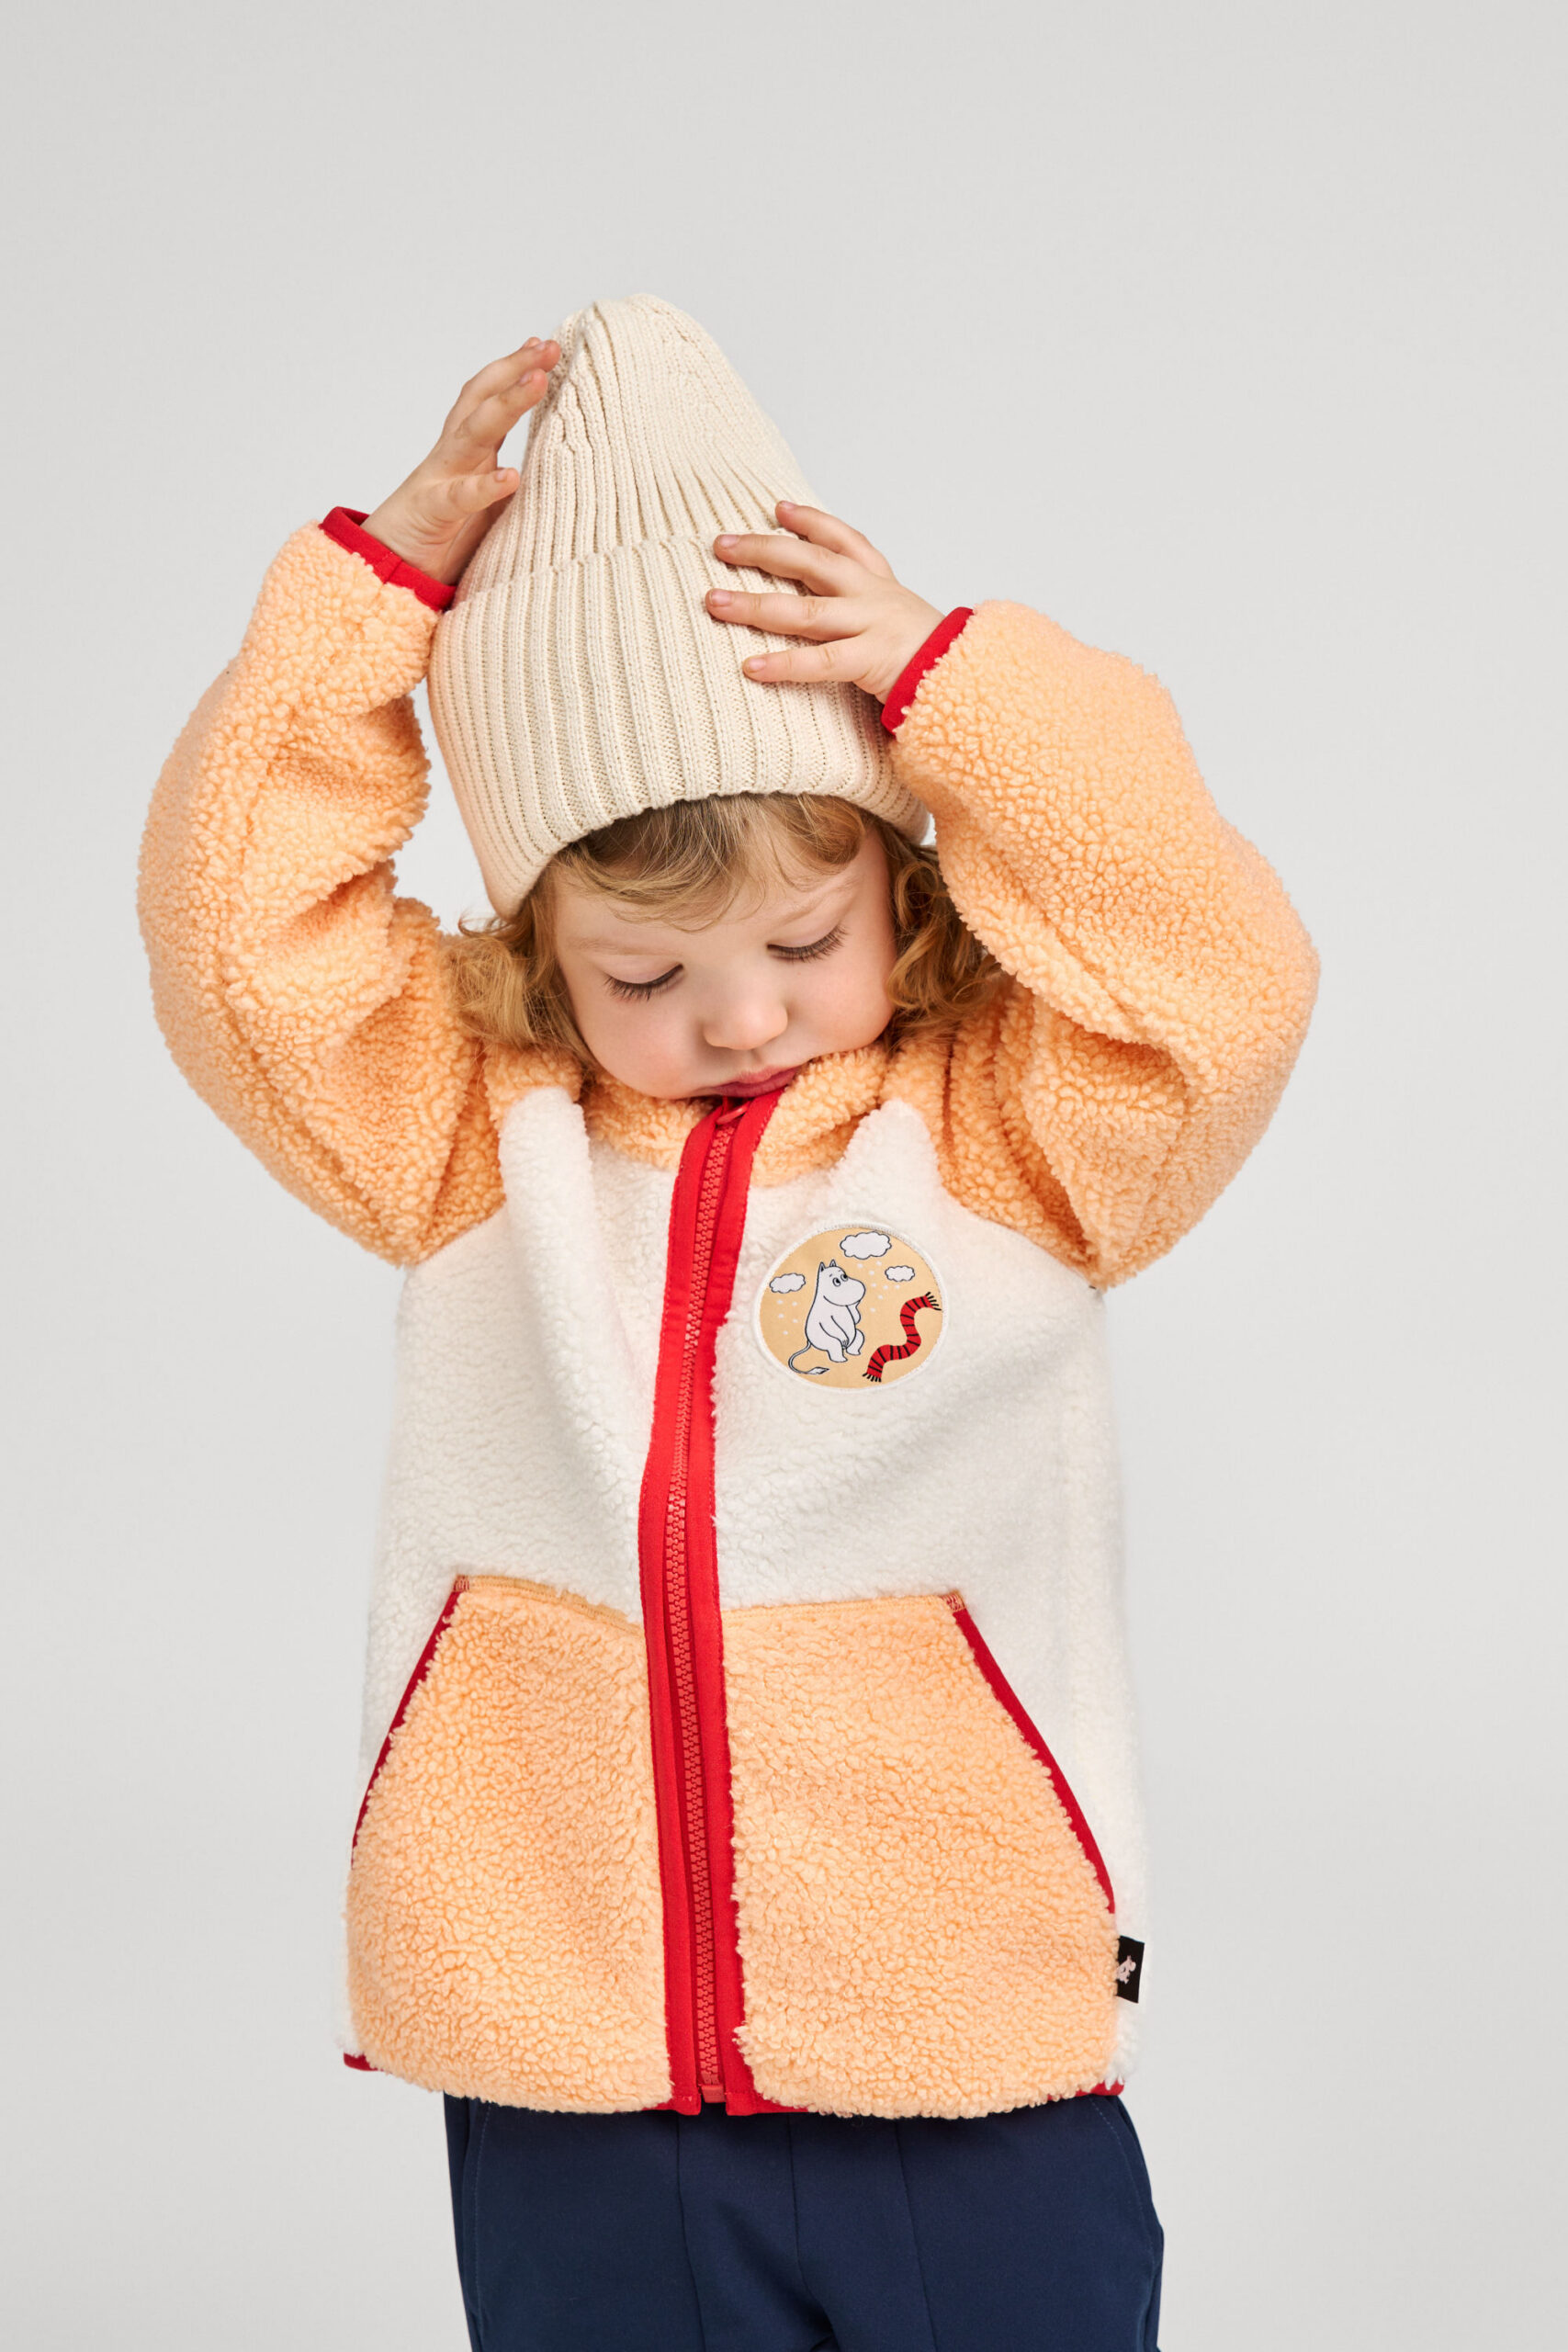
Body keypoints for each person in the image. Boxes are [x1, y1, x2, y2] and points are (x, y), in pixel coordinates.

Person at [139, 294, 1316, 2351]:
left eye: (802, 936)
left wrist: (956, 687)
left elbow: (1217, 976)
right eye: (645, 975)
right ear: (540, 946)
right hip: (569, 2052)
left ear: (900, 880)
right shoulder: (469, 1140)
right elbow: (237, 946)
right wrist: (367, 611)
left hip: (957, 2043)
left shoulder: (1014, 1138)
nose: (742, 1013)